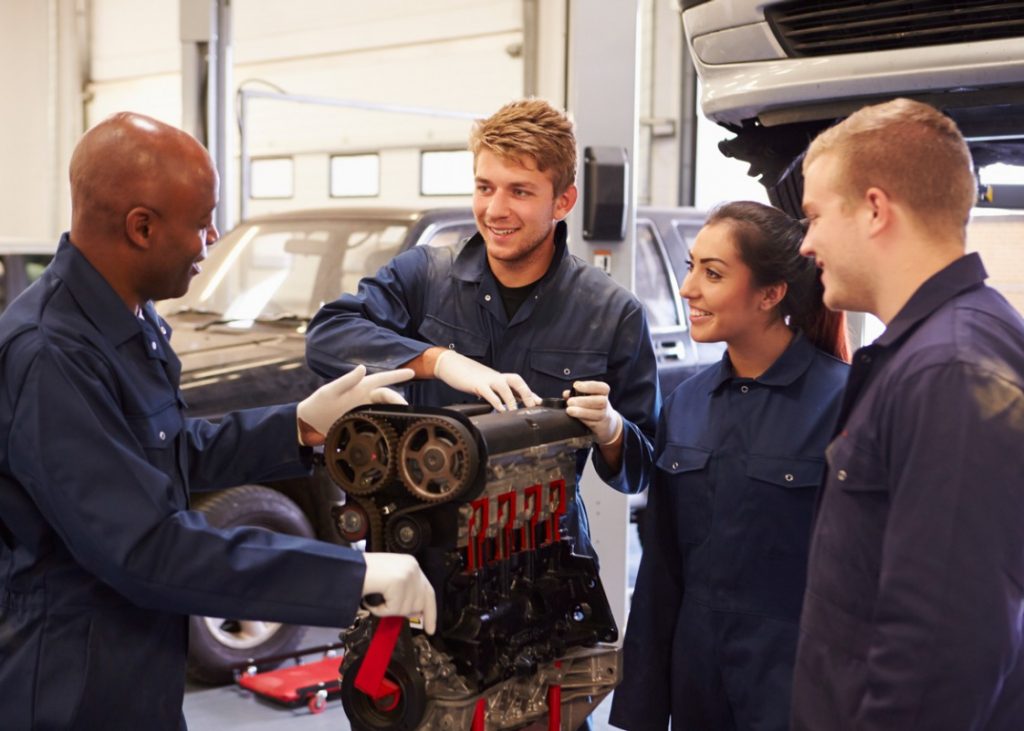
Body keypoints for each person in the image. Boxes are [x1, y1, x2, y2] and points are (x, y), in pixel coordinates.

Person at [0, 112, 436, 730]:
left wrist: (300, 426)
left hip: (138, 661)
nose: (211, 240)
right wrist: (352, 573)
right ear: (141, 227)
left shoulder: (127, 321)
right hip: (71, 683)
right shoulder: (51, 355)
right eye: (202, 222)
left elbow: (171, 452)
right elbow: (147, 547)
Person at [306, 98, 660, 562]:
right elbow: (327, 334)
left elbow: (640, 470)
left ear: (564, 201)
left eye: (520, 191)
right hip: (422, 547)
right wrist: (440, 361)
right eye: (484, 187)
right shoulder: (423, 276)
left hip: (544, 557)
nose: (495, 209)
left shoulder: (612, 312)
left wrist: (613, 430)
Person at [792, 98, 1024, 730]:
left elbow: (945, 644)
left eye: (813, 217)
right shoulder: (950, 344)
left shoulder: (948, 370)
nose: (806, 243)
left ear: (874, 209)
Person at [609, 201, 850, 731]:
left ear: (770, 294)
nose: (687, 287)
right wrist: (642, 707)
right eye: (692, 266)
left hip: (800, 689)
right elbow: (662, 570)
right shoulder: (686, 405)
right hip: (700, 687)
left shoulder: (847, 404)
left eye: (712, 273)